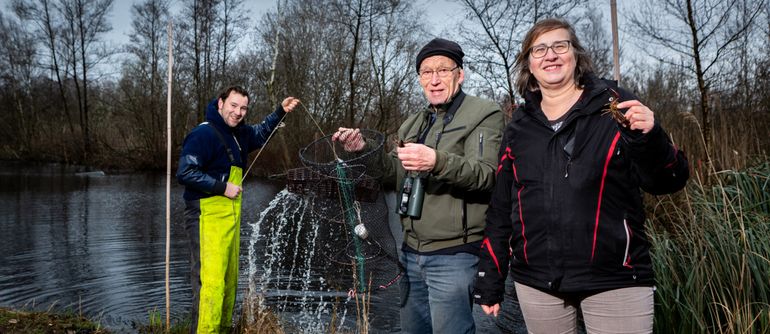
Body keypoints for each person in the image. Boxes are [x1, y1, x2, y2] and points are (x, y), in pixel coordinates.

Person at [472, 18, 689, 333]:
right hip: (538, 282)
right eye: (540, 49)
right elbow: (502, 208)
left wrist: (651, 137)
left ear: (575, 55)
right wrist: (490, 278)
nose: (551, 55)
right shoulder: (519, 126)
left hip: (614, 277)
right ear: (529, 64)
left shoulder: (615, 104)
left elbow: (668, 181)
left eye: (560, 45)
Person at [332, 38, 505, 333]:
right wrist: (362, 149)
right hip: (410, 254)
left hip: (455, 254)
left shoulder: (485, 113)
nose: (434, 80)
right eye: (426, 72)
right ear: (419, 79)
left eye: (443, 70)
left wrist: (436, 161)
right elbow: (391, 174)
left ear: (459, 74)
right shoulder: (412, 123)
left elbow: (487, 175)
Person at [176, 86, 299, 333]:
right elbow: (185, 172)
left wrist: (280, 112)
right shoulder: (203, 134)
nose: (238, 112)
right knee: (210, 285)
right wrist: (222, 187)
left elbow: (261, 133)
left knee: (228, 284)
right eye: (233, 105)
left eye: (243, 108)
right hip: (205, 217)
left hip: (229, 220)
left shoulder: (239, 134)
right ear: (220, 103)